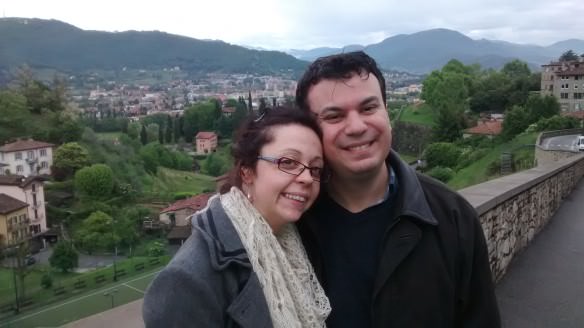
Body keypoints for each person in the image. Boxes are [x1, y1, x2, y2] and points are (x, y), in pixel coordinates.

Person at [295, 51, 501, 327]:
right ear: (310, 130)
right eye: (334, 116)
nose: (356, 126)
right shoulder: (291, 223)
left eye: (368, 108)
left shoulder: (453, 216)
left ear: (387, 112)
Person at [143, 107, 331, 327]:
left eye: (315, 169)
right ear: (247, 172)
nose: (307, 178)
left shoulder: (296, 242)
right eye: (288, 162)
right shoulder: (186, 280)